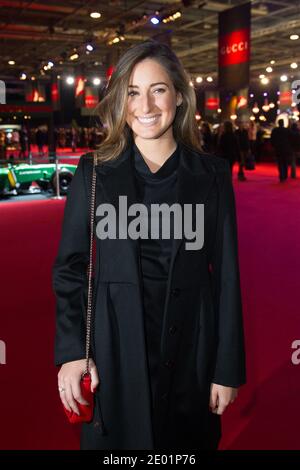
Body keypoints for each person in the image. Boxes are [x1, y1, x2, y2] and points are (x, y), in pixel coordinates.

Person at [53, 40, 246, 450]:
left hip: (191, 353)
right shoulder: (94, 174)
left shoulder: (211, 175)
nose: (146, 106)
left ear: (179, 95)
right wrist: (72, 351)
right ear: (120, 101)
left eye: (157, 89)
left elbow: (226, 276)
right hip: (114, 352)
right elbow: (70, 269)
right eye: (133, 92)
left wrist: (226, 368)